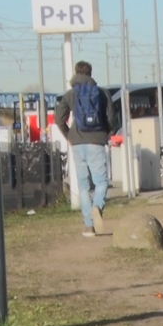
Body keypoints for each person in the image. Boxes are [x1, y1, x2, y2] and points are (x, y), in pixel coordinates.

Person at [53, 61, 118, 237]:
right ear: (90, 73)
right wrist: (108, 132)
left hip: (77, 143)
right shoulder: (102, 93)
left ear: (76, 73)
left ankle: (89, 226)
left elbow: (59, 119)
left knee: (83, 186)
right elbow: (112, 117)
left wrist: (69, 136)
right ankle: (97, 207)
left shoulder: (70, 94)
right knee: (101, 182)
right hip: (97, 141)